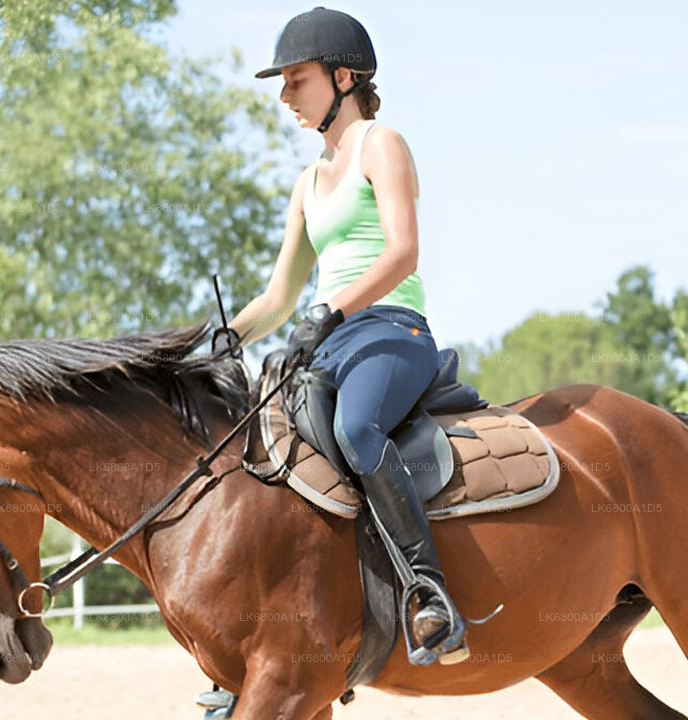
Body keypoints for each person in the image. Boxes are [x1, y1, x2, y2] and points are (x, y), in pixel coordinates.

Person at [214, 6, 467, 667]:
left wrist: (332, 312)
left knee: (358, 432)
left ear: (344, 77)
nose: (285, 95)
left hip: (390, 328)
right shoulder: (307, 182)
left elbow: (402, 253)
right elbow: (279, 297)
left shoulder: (382, 144)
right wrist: (221, 336)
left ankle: (428, 593)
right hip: (326, 343)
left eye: (297, 79)